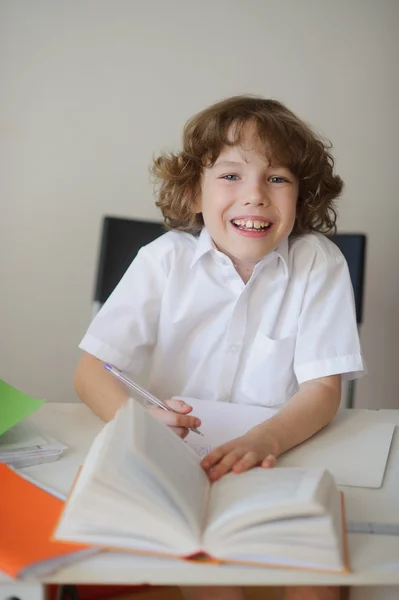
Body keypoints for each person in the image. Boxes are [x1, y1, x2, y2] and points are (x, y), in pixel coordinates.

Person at [74, 96, 364, 600]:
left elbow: (322, 389)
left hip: (279, 457)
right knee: (208, 579)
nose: (255, 196)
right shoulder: (162, 261)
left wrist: (266, 440)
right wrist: (141, 424)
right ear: (193, 193)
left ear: (302, 197)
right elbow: (91, 372)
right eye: (231, 176)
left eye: (277, 179)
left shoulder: (319, 263)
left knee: (314, 579)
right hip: (176, 464)